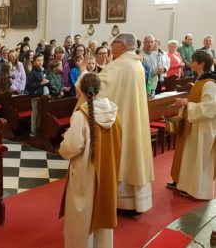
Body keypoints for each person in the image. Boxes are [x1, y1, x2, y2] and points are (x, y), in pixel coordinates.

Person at [84, 33, 153, 213]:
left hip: (122, 121)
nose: (109, 48)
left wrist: (84, 78)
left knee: (123, 156)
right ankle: (138, 201)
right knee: (133, 154)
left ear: (121, 45)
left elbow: (98, 90)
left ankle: (123, 202)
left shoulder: (118, 66)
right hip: (133, 118)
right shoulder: (136, 63)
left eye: (113, 44)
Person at [59, 73, 122, 248]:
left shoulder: (81, 115)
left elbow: (72, 146)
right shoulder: (115, 114)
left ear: (81, 92)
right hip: (107, 171)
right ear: (101, 89)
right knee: (102, 213)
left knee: (83, 217)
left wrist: (64, 142)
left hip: (86, 173)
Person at [168, 50, 216, 199]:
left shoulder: (209, 84)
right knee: (191, 157)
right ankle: (186, 185)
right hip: (194, 125)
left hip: (203, 128)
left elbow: (210, 108)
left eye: (193, 60)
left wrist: (187, 103)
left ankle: (198, 191)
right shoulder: (201, 80)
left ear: (201, 64)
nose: (190, 63)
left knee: (199, 159)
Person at [26, 53, 50, 137]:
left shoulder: (43, 70)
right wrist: (40, 83)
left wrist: (47, 81)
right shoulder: (32, 73)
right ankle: (33, 130)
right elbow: (30, 85)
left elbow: (45, 79)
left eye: (41, 60)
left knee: (40, 113)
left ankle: (39, 128)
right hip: (35, 96)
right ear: (34, 62)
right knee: (35, 113)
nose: (40, 62)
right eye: (38, 60)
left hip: (42, 95)